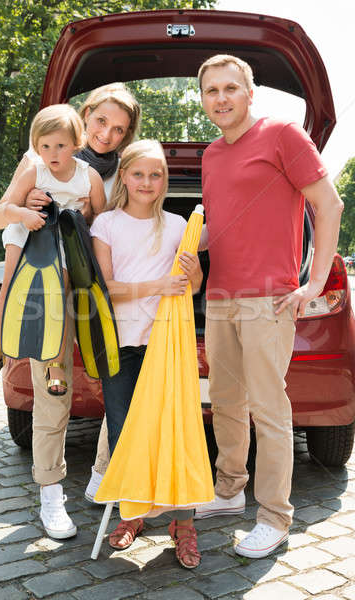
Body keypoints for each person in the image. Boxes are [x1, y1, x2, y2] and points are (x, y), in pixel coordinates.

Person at [194, 55, 343, 558]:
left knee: (269, 408)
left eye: (230, 88)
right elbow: (219, 229)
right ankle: (229, 490)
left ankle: (275, 516)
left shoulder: (282, 134)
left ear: (250, 93)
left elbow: (330, 203)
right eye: (211, 90)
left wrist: (314, 282)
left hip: (268, 300)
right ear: (203, 98)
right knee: (226, 404)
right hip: (219, 298)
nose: (221, 98)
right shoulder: (211, 155)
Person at [0, 84, 140, 540]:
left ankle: (102, 476)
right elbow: (7, 213)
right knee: (52, 396)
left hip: (96, 290)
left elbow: (111, 227)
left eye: (119, 129)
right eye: (100, 122)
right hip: (44, 288)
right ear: (83, 115)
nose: (107, 134)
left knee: (119, 385)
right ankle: (51, 494)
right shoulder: (42, 159)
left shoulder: (124, 173)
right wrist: (28, 206)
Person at [91, 139, 203, 569]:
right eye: (139, 173)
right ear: (124, 176)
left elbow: (190, 288)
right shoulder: (106, 225)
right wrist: (158, 285)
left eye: (156, 175)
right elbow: (106, 289)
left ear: (164, 181)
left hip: (166, 342)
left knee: (178, 431)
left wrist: (192, 277)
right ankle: (133, 514)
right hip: (120, 345)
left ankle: (183, 523)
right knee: (125, 434)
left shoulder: (177, 225)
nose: (147, 182)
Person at [0, 103, 105, 398]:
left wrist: (84, 217)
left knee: (58, 299)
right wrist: (23, 214)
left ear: (77, 143)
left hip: (61, 238)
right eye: (44, 146)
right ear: (36, 147)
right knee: (9, 287)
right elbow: (1, 213)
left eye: (60, 145)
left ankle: (55, 364)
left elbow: (102, 218)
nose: (52, 153)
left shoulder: (89, 177)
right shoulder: (33, 172)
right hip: (26, 233)